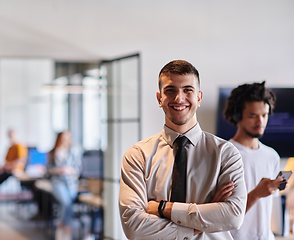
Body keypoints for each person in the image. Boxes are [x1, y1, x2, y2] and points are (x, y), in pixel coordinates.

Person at [119, 60, 247, 239]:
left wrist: (163, 208)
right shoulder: (137, 155)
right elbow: (133, 225)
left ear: (199, 97)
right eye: (170, 90)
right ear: (159, 98)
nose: (179, 98)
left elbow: (233, 217)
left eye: (188, 90)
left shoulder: (226, 153)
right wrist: (203, 216)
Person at [221, 81, 285, 239]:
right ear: (238, 116)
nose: (260, 122)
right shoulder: (224, 155)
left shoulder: (272, 156)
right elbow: (222, 214)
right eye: (253, 116)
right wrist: (256, 194)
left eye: (264, 115)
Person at [0, 129, 27, 214]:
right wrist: (4, 166)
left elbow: (21, 160)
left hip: (14, 171)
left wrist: (9, 165)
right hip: (7, 170)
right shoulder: (10, 147)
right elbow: (6, 161)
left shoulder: (20, 146)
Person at [47, 131, 81, 240]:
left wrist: (70, 171)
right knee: (66, 202)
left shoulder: (73, 152)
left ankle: (62, 225)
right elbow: (47, 170)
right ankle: (66, 227)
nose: (66, 140)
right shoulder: (53, 153)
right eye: (64, 137)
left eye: (68, 137)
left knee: (68, 203)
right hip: (58, 182)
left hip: (71, 183)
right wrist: (58, 170)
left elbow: (78, 169)